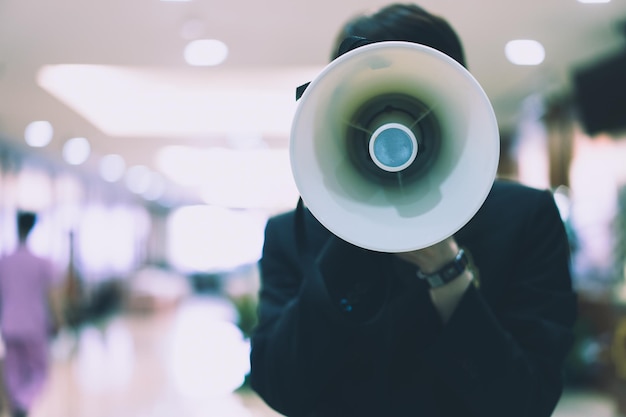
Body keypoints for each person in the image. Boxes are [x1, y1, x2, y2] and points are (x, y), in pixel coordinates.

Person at [249, 3, 577, 417]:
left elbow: (527, 401)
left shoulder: (524, 218)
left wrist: (447, 273)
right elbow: (281, 388)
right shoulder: (294, 233)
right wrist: (348, 235)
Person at [0, 212, 63, 417]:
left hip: (9, 325)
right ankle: (23, 403)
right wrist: (58, 320)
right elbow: (53, 296)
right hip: (33, 325)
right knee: (40, 373)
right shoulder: (42, 263)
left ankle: (18, 403)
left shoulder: (4, 261)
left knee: (14, 373)